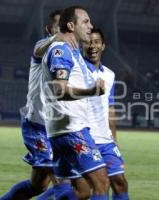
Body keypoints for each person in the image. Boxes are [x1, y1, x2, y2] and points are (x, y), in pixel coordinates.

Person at [0, 10, 73, 200]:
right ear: (49, 29)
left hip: (60, 128)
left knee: (37, 186)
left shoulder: (70, 54)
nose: (63, 29)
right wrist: (57, 38)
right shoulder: (44, 46)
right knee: (64, 183)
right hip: (38, 126)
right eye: (58, 25)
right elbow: (38, 50)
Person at [40, 6, 109, 200]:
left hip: (64, 131)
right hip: (71, 131)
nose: (91, 26)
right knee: (101, 183)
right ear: (71, 25)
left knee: (78, 192)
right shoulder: (61, 50)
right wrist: (92, 90)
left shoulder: (73, 51)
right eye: (86, 22)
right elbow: (59, 89)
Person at [83, 28, 129, 200]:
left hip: (105, 140)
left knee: (120, 182)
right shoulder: (77, 70)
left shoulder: (109, 75)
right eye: (88, 42)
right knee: (89, 188)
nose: (92, 46)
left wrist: (114, 139)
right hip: (85, 138)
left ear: (103, 46)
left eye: (96, 42)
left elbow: (110, 108)